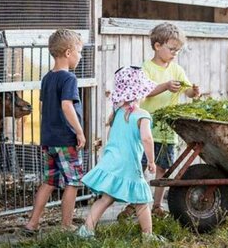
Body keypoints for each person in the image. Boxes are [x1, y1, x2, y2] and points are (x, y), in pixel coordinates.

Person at [118, 23, 200, 219]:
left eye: (177, 50)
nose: (175, 54)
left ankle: (156, 205)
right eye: (172, 49)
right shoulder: (146, 69)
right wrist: (164, 86)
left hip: (166, 129)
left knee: (163, 168)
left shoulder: (177, 70)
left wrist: (194, 92)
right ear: (157, 46)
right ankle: (135, 203)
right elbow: (142, 94)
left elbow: (187, 91)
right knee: (141, 168)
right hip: (146, 129)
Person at [77, 66, 163, 242]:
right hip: (129, 164)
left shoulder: (116, 114)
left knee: (106, 198)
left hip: (112, 161)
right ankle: (148, 236)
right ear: (139, 92)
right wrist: (152, 161)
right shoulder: (142, 115)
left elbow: (112, 138)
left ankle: (87, 230)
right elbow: (147, 139)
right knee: (142, 201)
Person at [23, 29, 86, 235]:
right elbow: (67, 106)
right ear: (68, 53)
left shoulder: (48, 78)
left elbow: (42, 108)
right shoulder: (69, 79)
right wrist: (79, 132)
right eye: (79, 51)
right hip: (66, 139)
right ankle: (66, 226)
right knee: (73, 182)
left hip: (48, 139)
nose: (80, 56)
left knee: (49, 181)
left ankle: (32, 224)